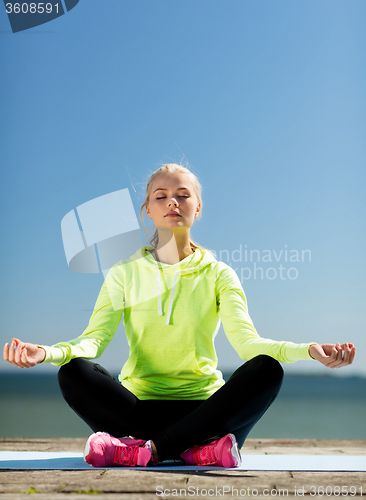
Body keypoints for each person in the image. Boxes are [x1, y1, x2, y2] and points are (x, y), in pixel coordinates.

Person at [3, 163, 356, 469]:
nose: (172, 201)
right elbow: (92, 341)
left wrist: (307, 349)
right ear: (148, 210)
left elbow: (249, 344)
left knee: (266, 370)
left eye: (183, 195)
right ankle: (194, 452)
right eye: (161, 196)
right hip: (138, 409)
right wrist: (46, 354)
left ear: (198, 207)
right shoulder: (124, 273)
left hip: (206, 411)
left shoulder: (220, 274)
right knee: (74, 373)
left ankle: (149, 451)